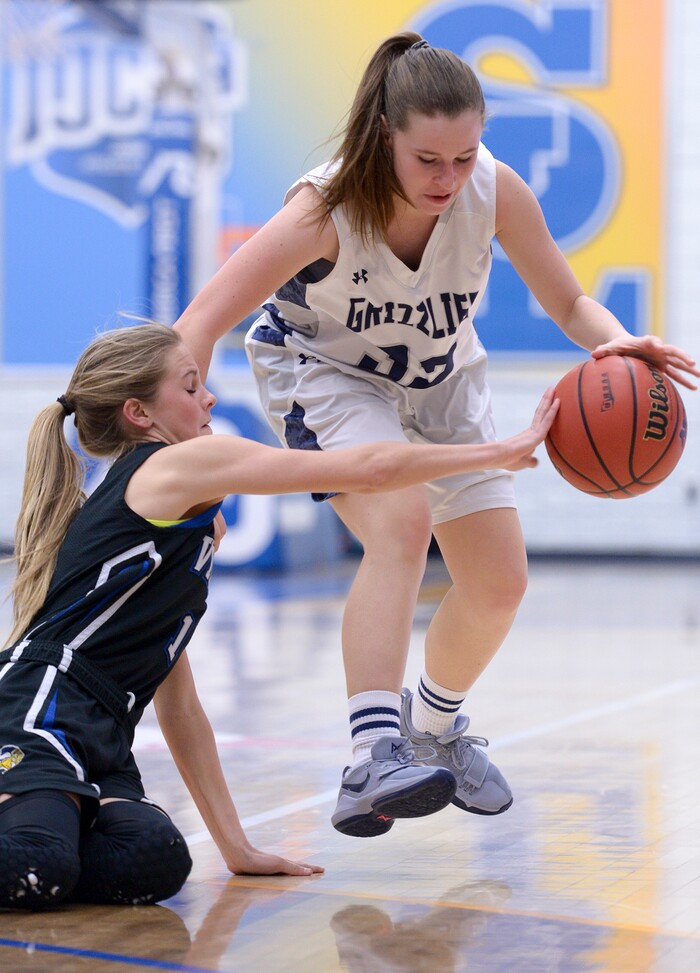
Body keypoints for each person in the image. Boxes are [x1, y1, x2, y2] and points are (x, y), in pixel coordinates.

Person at [173, 32, 700, 837]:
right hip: (325, 374)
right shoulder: (321, 210)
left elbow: (568, 304)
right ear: (385, 136)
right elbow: (199, 321)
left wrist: (616, 340)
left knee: (499, 583)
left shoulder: (494, 190)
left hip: (443, 380)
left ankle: (434, 728)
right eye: (428, 160)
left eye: (465, 156)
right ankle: (370, 754)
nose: (449, 179)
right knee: (400, 521)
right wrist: (186, 463)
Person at [0, 321, 558, 909]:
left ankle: (37, 819)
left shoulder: (184, 523)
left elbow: (181, 707)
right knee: (41, 864)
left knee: (155, 862)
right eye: (190, 388)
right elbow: (366, 469)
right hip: (40, 709)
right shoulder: (172, 468)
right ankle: (34, 825)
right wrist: (497, 452)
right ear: (140, 413)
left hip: (103, 733)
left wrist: (237, 849)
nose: (209, 397)